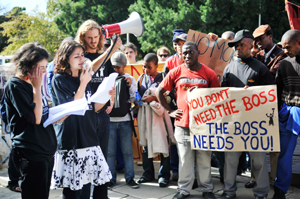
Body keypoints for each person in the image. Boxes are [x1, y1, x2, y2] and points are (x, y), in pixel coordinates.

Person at [50, 40, 115, 199]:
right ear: (65, 59)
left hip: (88, 138)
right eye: (76, 56)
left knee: (86, 189)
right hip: (72, 141)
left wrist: (108, 95)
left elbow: (91, 107)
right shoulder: (59, 80)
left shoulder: (83, 76)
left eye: (82, 55)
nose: (82, 59)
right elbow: (72, 107)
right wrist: (84, 82)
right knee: (73, 192)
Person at [157, 41, 220, 199]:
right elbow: (160, 91)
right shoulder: (176, 72)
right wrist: (169, 111)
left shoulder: (209, 73)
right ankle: (184, 190)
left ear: (198, 52)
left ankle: (207, 189)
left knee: (204, 159)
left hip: (203, 125)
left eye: (190, 52)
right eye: (184, 53)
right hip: (182, 125)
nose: (187, 55)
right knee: (184, 160)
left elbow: (219, 97)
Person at [221, 29, 274, 199]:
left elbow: (271, 96)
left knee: (258, 161)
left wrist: (253, 93)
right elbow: (221, 97)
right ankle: (229, 192)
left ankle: (261, 193)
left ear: (251, 45)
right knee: (230, 161)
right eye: (235, 45)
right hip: (234, 123)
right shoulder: (228, 69)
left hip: (255, 124)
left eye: (241, 44)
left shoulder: (261, 69)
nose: (238, 47)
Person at [4, 42, 57, 199]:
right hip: (31, 152)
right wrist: (37, 88)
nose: (45, 71)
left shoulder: (34, 85)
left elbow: (44, 114)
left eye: (46, 66)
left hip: (45, 150)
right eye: (41, 67)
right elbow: (36, 118)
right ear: (29, 65)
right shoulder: (15, 85)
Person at [243, 24, 287, 189]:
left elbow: (270, 76)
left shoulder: (282, 55)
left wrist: (254, 59)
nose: (258, 43)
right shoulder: (257, 55)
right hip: (256, 106)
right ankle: (254, 178)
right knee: (254, 143)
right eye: (256, 40)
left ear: (270, 36)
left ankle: (272, 179)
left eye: (261, 38)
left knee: (274, 147)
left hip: (273, 106)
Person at [136, 53, 175, 188]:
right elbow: (137, 94)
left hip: (159, 117)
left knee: (163, 146)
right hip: (145, 116)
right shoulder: (141, 78)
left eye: (149, 67)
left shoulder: (164, 77)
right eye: (144, 66)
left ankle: (164, 176)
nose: (146, 70)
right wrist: (137, 101)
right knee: (146, 146)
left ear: (156, 66)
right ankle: (148, 174)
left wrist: (154, 99)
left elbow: (170, 97)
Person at [271, 29, 300, 199]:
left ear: (299, 42)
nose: (285, 51)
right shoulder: (283, 64)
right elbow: (277, 90)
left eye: (288, 47)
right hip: (288, 113)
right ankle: (280, 190)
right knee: (284, 154)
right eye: (283, 47)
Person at [105, 52, 139, 189]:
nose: (116, 69)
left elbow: (133, 99)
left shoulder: (130, 79)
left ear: (124, 66)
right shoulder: (106, 79)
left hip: (125, 119)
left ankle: (130, 178)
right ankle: (111, 178)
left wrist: (130, 85)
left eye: (118, 67)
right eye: (113, 67)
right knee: (110, 152)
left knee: (127, 151)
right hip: (110, 120)